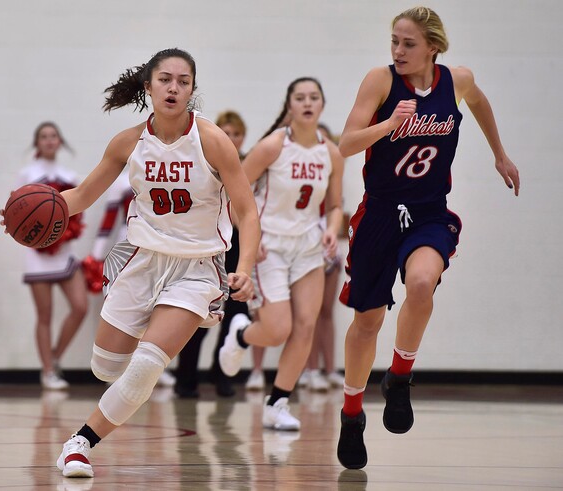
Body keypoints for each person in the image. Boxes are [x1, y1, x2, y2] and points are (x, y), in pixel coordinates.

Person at [44, 48, 260, 478]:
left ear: (192, 90)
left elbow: (248, 212)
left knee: (146, 367)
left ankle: (78, 444)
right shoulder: (128, 142)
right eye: (165, 79)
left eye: (183, 81)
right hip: (141, 261)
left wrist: (247, 267)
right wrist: (31, 208)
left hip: (198, 267)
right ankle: (150, 325)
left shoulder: (213, 140)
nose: (173, 88)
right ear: (148, 86)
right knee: (105, 366)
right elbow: (82, 197)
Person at [334, 6, 520, 469]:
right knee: (368, 322)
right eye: (394, 41)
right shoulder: (380, 82)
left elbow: (479, 102)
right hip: (379, 214)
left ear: (433, 46)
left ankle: (399, 379)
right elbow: (345, 143)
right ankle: (352, 414)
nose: (398, 51)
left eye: (408, 43)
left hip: (428, 212)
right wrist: (388, 124)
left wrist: (500, 154)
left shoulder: (455, 80)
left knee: (421, 284)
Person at [218, 77, 345, 431]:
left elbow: (335, 205)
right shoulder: (272, 146)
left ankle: (278, 403)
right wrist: (248, 234)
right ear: (289, 105)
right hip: (269, 244)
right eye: (300, 97)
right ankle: (241, 332)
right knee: (277, 330)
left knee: (306, 325)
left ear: (322, 105)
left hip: (308, 245)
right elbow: (235, 193)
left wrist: (332, 230)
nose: (307, 103)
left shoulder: (331, 152)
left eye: (313, 97)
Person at [174, 109, 248, 398]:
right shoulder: (202, 162)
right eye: (226, 133)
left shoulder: (247, 165)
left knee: (235, 315)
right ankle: (186, 378)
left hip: (238, 245)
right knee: (200, 314)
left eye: (237, 134)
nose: (231, 138)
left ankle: (223, 376)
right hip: (210, 244)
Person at [82, 168, 176, 388]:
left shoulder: (168, 174)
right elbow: (110, 217)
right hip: (126, 247)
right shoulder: (121, 179)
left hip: (161, 247)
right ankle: (117, 368)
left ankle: (153, 367)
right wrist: (96, 256)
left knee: (158, 308)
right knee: (124, 307)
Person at [16, 122, 89, 390]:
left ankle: (55, 357)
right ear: (37, 143)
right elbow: (15, 215)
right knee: (44, 315)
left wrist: (65, 234)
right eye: (44, 137)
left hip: (64, 252)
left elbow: (78, 214)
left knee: (80, 307)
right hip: (37, 254)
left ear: (60, 142)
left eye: (53, 136)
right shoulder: (27, 174)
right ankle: (48, 372)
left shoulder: (70, 176)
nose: (49, 140)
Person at [299, 123, 346, 392]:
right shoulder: (300, 177)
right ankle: (309, 370)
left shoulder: (333, 178)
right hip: (304, 249)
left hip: (329, 250)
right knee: (309, 315)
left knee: (327, 313)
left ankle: (330, 369)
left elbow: (336, 213)